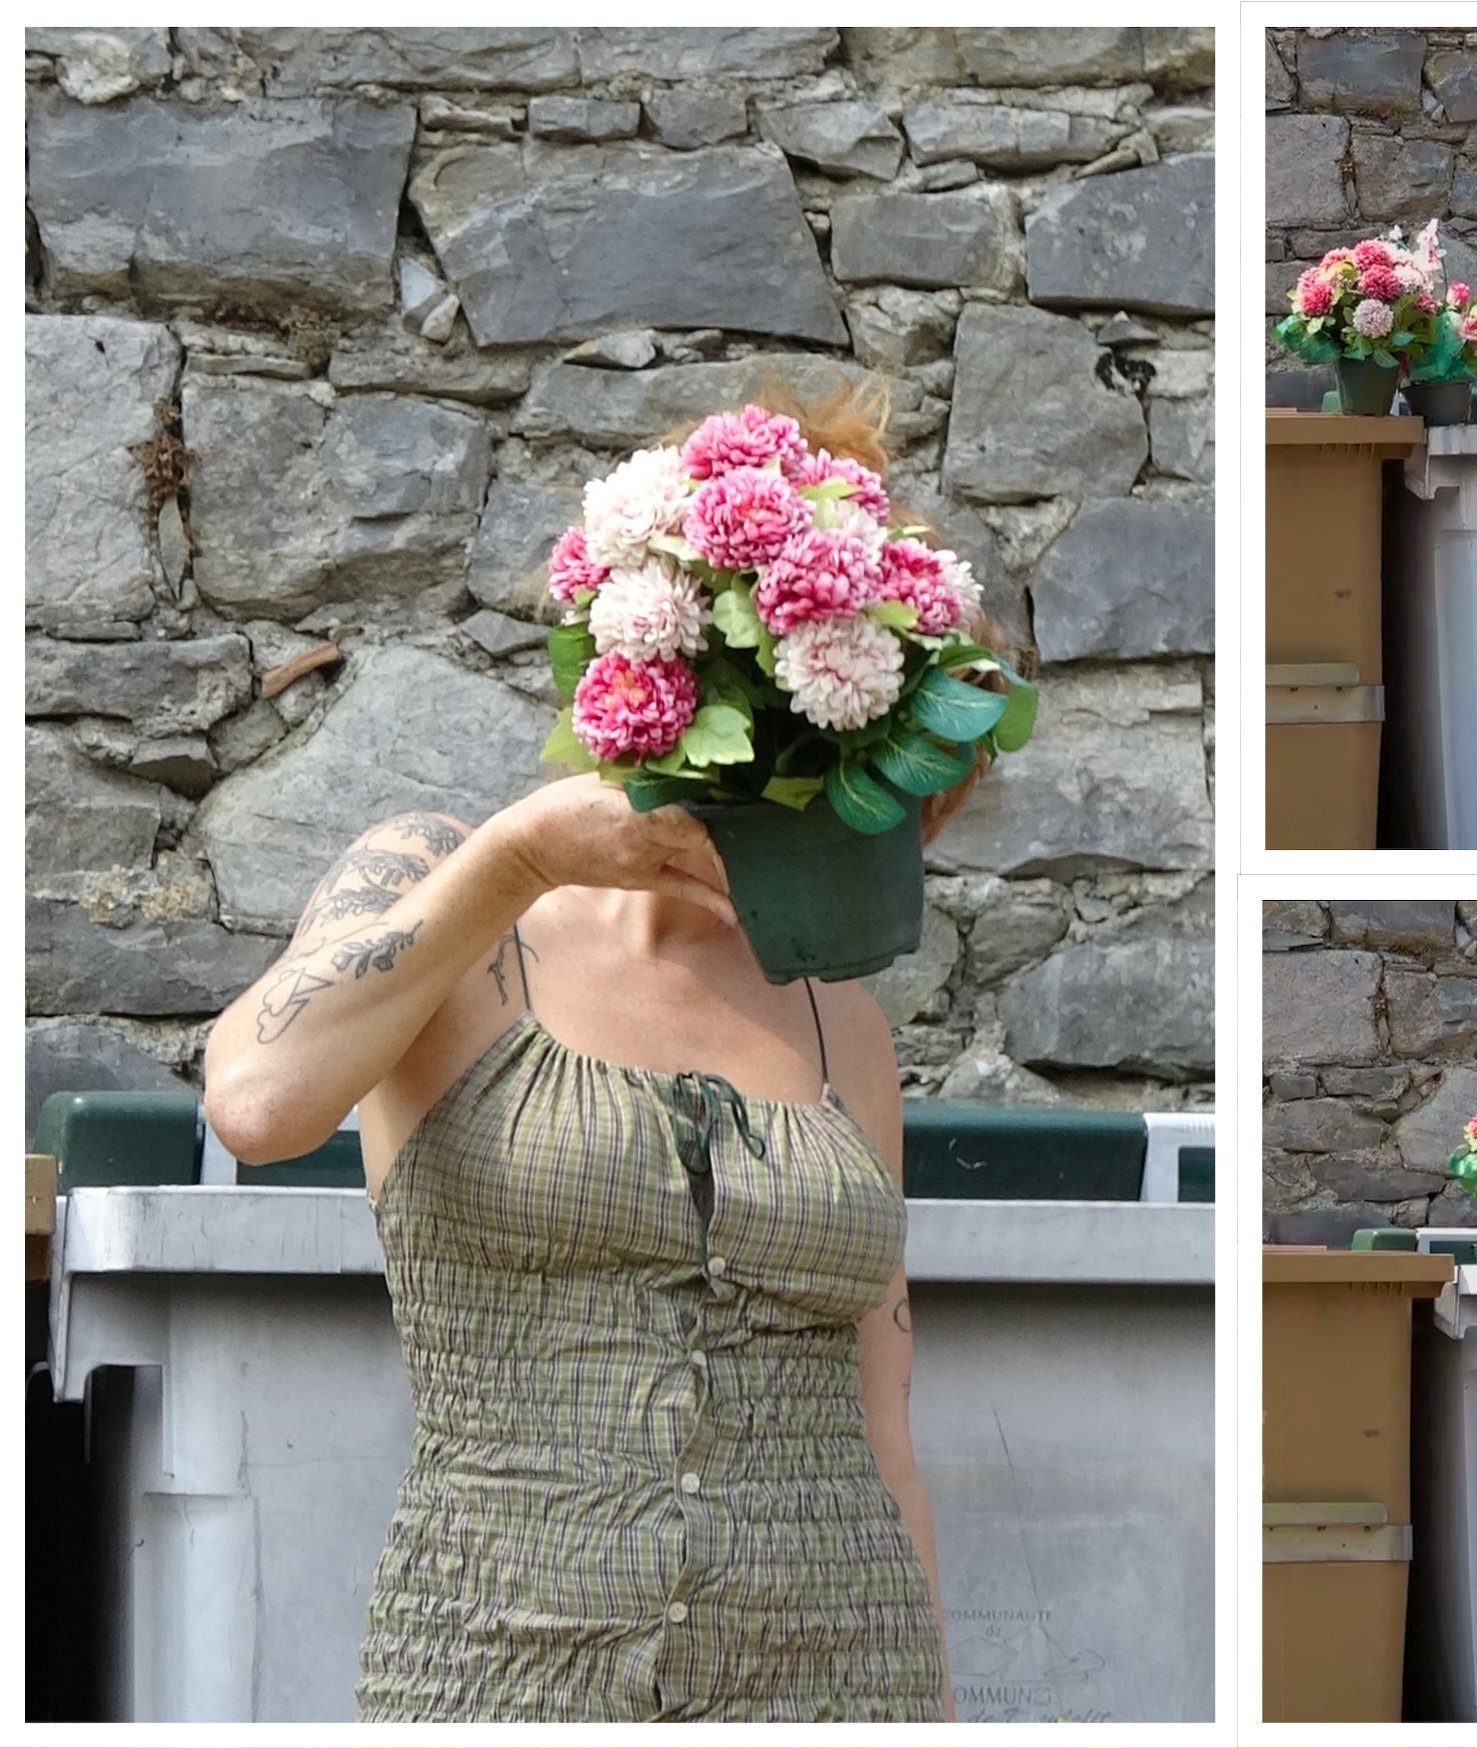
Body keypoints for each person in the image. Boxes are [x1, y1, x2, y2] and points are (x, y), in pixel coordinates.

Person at [201, 392, 979, 1722]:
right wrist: (518, 855)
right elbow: (260, 1104)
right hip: (499, 1669)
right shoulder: (448, 898)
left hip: (842, 1675)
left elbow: (882, 1419)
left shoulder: (835, 1013)